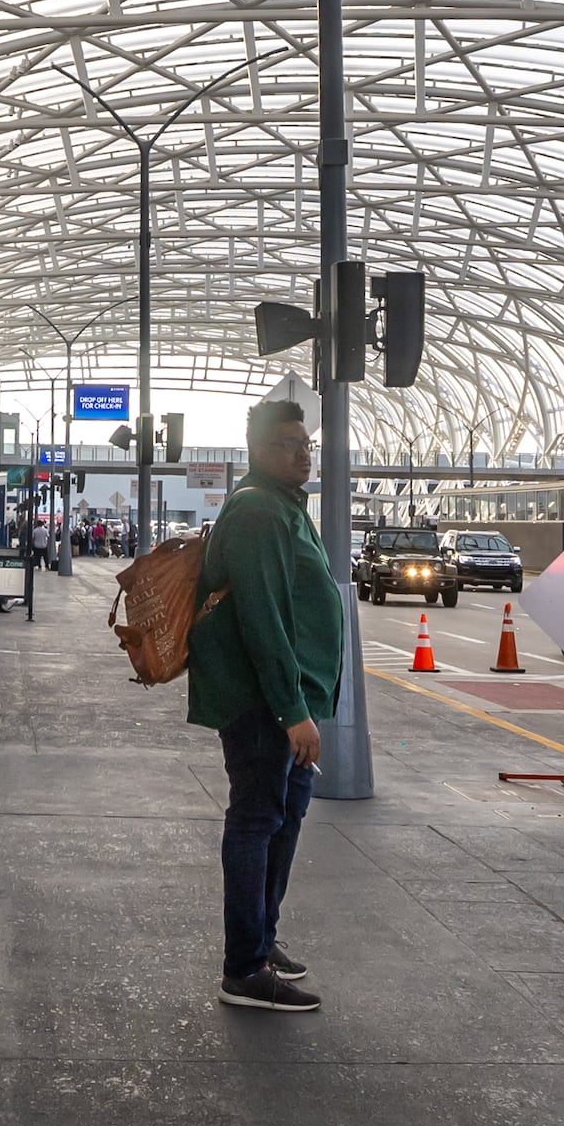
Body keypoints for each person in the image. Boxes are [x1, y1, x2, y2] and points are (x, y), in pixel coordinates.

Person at [185, 396, 336, 1014]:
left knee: (284, 816)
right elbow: (263, 619)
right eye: (288, 445)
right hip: (263, 704)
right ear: (257, 450)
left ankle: (261, 939)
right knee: (256, 819)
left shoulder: (283, 506)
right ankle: (244, 968)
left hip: (284, 698)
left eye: (306, 444)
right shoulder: (256, 511)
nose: (303, 454)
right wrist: (292, 710)